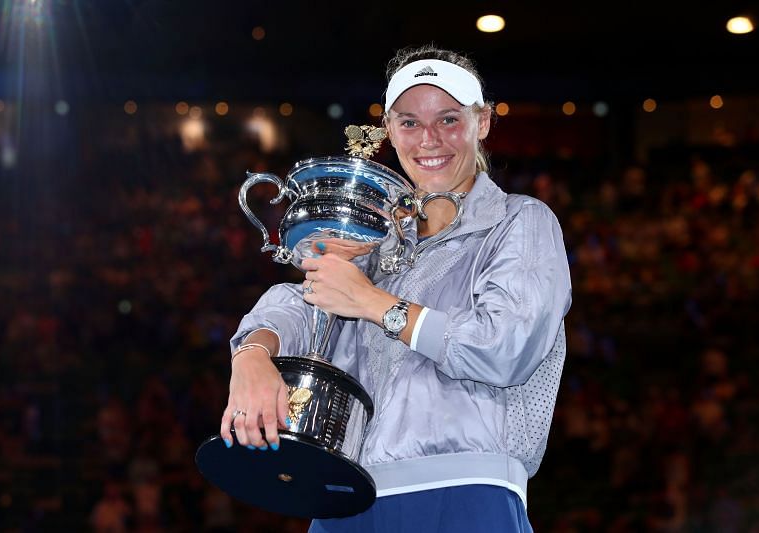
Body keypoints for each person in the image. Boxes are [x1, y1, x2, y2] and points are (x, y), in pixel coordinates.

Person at [220, 45, 572, 533]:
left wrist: (372, 302)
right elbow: (300, 304)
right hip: (343, 494)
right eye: (409, 123)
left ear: (483, 122)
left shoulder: (520, 221)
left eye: (449, 119)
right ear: (389, 129)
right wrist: (253, 355)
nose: (429, 139)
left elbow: (507, 347)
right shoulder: (373, 238)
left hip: (467, 493)